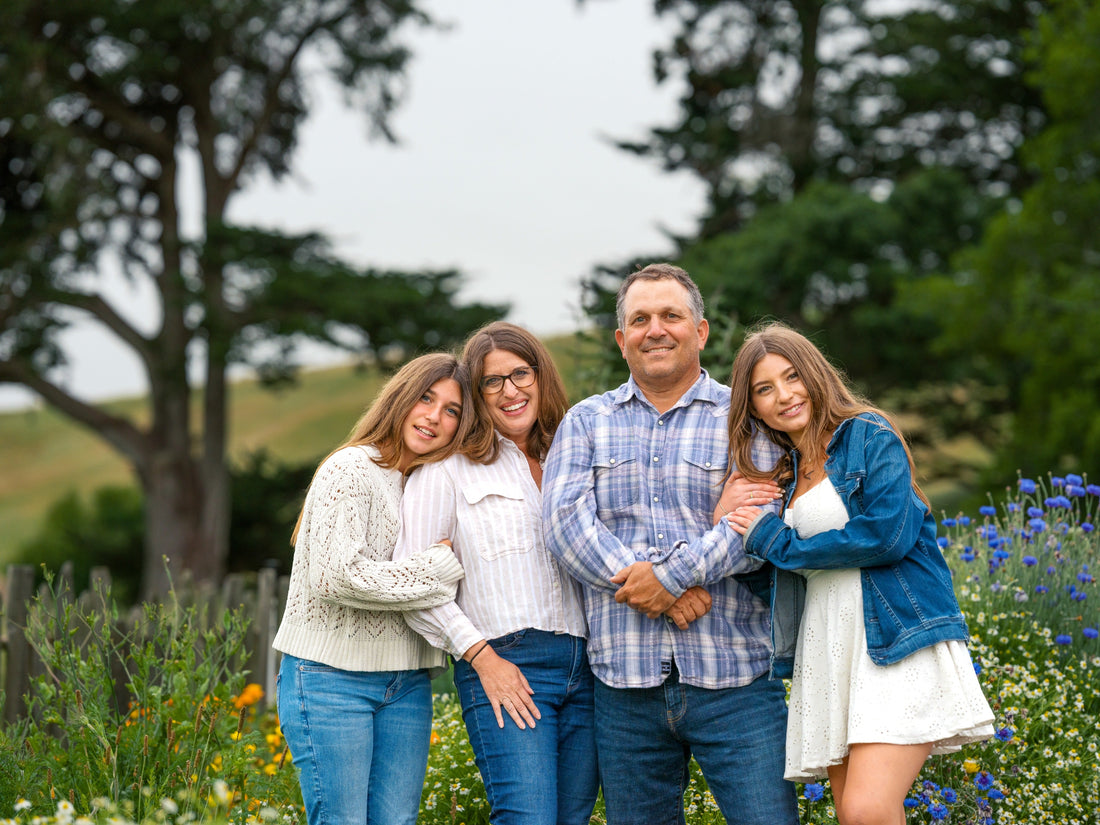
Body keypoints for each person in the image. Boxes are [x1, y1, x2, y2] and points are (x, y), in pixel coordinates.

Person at [542, 263, 798, 825]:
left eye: (670, 316)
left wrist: (671, 576)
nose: (655, 329)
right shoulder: (586, 422)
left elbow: (762, 522)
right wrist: (659, 583)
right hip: (624, 686)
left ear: (700, 331)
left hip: (736, 678)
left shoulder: (747, 416)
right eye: (640, 319)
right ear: (622, 339)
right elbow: (565, 526)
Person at [723, 321, 994, 825]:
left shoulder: (869, 435)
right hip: (829, 649)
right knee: (856, 814)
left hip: (893, 640)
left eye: (791, 376)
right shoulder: (782, 477)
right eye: (764, 389)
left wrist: (776, 540)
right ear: (752, 406)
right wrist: (732, 523)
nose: (783, 395)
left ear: (815, 375)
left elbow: (887, 537)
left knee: (868, 809)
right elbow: (782, 574)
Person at [395, 321, 599, 825]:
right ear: (477, 394)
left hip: (590, 668)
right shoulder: (445, 469)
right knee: (526, 817)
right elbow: (413, 584)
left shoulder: (569, 457)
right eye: (492, 382)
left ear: (541, 376)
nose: (510, 391)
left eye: (520, 374)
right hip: (508, 663)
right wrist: (483, 659)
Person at [273, 352, 475, 825]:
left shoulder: (431, 483)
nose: (434, 417)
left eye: (452, 411)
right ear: (401, 397)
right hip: (329, 679)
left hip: (408, 683)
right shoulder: (351, 468)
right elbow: (337, 577)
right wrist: (436, 572)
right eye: (426, 398)